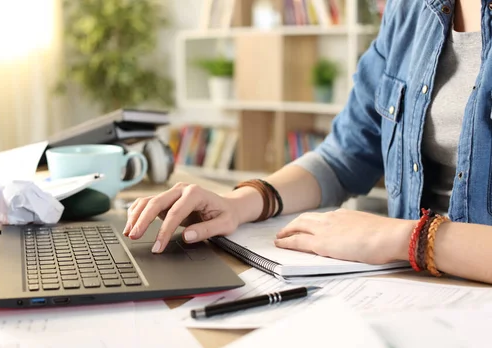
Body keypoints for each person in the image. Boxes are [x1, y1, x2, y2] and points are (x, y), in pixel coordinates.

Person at [125, 0, 492, 285]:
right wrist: (241, 203)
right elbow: (344, 155)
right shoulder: (409, 10)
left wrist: (407, 239)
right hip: (413, 287)